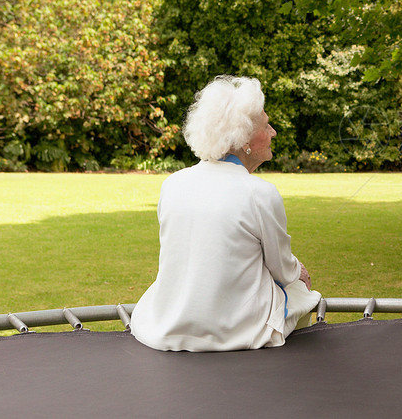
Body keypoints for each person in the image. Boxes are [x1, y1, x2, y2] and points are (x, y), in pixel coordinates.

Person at [131, 75, 321, 351]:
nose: (273, 132)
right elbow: (283, 269)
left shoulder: (173, 183)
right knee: (304, 291)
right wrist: (300, 273)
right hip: (236, 327)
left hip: (170, 321)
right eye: (266, 125)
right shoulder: (259, 193)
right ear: (244, 138)